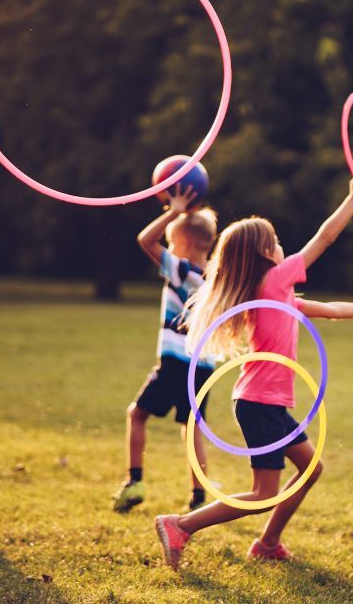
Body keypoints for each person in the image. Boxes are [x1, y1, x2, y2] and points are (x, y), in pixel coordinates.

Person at [153, 172, 353, 570]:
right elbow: (324, 239)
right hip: (259, 402)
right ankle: (180, 525)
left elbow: (330, 309)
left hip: (264, 402)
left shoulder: (276, 293)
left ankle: (268, 543)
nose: (283, 247)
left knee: (310, 468)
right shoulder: (273, 282)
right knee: (261, 492)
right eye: (276, 242)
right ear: (265, 254)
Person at [113, 186, 219, 513]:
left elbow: (145, 240)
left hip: (175, 362)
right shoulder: (216, 278)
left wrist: (173, 211)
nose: (169, 249)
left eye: (172, 244)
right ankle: (199, 496)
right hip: (204, 366)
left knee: (137, 414)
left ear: (184, 245)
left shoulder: (182, 270)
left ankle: (135, 481)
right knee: (192, 428)